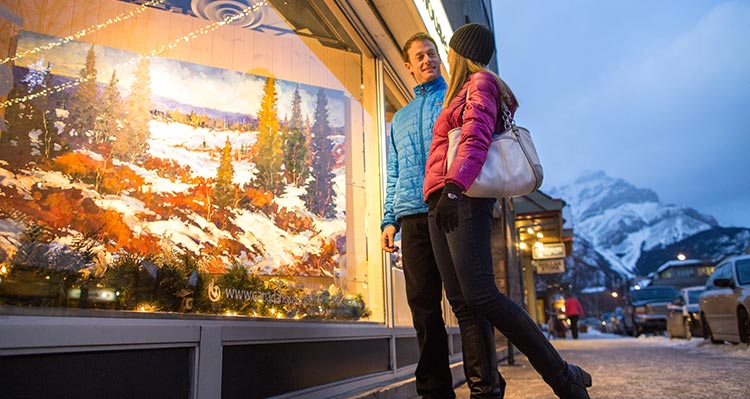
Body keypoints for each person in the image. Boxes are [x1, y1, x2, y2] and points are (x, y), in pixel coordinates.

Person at [423, 23, 593, 399]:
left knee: (481, 293)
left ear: (459, 53)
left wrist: (455, 187)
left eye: (450, 51)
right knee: (464, 305)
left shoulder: (481, 83)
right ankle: (485, 393)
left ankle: (563, 377)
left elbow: (476, 136)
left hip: (462, 196)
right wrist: (443, 193)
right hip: (441, 198)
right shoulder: (458, 94)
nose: (447, 57)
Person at [381, 32, 504, 399]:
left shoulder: (454, 96)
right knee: (423, 308)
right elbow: (394, 171)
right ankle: (434, 392)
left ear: (441, 57)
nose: (426, 60)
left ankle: (486, 384)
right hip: (411, 217)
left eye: (432, 53)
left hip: (451, 207)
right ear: (408, 65)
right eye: (418, 56)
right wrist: (388, 219)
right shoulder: (399, 118)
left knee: (468, 300)